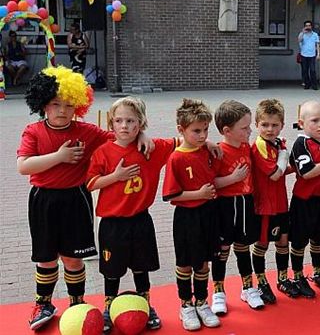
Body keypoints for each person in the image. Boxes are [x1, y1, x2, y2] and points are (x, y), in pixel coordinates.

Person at [16, 66, 152, 331]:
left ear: (78, 105)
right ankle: (43, 302)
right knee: (45, 257)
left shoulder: (86, 131)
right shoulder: (33, 131)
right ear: (43, 104)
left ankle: (76, 302)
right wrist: (59, 157)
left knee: (73, 258)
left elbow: (121, 135)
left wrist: (143, 133)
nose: (62, 110)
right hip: (43, 200)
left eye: (69, 104)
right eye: (55, 104)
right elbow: (23, 166)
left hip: (76, 199)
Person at [86, 97, 169, 332]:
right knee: (111, 270)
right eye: (118, 120)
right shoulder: (103, 152)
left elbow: (182, 142)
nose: (124, 126)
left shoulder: (150, 148)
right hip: (112, 224)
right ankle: (109, 306)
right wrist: (116, 177)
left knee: (141, 267)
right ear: (111, 124)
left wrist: (212, 145)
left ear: (140, 123)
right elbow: (91, 183)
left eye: (130, 121)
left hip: (141, 220)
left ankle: (145, 304)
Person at [162, 99, 221, 331]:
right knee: (185, 264)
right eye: (196, 130)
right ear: (181, 130)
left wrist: (211, 143)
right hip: (187, 217)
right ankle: (186, 305)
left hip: (208, 214)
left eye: (206, 130)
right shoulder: (176, 158)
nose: (202, 135)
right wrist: (199, 193)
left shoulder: (206, 148)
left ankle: (202, 302)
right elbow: (171, 197)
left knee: (204, 262)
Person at [211, 100, 263, 313]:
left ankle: (248, 288)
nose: (250, 130)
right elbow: (211, 183)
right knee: (222, 251)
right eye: (244, 128)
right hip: (224, 206)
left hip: (245, 204)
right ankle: (218, 292)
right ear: (227, 131)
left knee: (243, 248)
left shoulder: (246, 147)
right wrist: (232, 178)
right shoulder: (217, 152)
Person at [250, 99, 300, 302]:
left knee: (283, 241)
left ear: (282, 125)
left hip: (280, 202)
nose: (270, 129)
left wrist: (295, 167)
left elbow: (282, 170)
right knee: (262, 243)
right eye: (265, 125)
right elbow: (274, 174)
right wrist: (284, 156)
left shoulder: (276, 144)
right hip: (265, 205)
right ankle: (261, 282)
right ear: (257, 125)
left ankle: (282, 278)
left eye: (274, 125)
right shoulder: (260, 146)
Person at [289, 101, 320, 297]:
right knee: (299, 241)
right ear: (301, 123)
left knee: (319, 239)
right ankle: (298, 275)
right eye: (315, 120)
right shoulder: (301, 143)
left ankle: (318, 272)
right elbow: (306, 172)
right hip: (304, 201)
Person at [298, 20, 320, 90]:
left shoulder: (315, 34)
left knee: (313, 70)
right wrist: (302, 33)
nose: (308, 27)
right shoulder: (302, 34)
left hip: (312, 55)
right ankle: (307, 84)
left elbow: (317, 45)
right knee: (305, 70)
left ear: (311, 26)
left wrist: (318, 54)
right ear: (304, 27)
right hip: (304, 55)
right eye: (306, 26)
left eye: (309, 25)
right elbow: (299, 40)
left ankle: (314, 85)